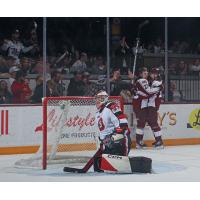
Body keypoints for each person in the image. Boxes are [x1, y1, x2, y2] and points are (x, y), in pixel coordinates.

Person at [94, 90, 131, 172]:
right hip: (108, 142)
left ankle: (123, 159)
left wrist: (114, 135)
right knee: (98, 165)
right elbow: (103, 132)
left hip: (120, 140)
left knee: (118, 168)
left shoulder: (111, 106)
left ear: (104, 98)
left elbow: (123, 124)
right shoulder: (98, 113)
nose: (97, 100)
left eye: (99, 98)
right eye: (96, 98)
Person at [132, 67, 162, 149]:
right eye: (145, 73)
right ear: (141, 74)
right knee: (143, 123)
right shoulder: (143, 81)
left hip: (147, 105)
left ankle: (141, 142)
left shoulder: (153, 81)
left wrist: (137, 91)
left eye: (147, 73)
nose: (148, 74)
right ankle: (140, 142)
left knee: (146, 123)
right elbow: (148, 92)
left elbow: (147, 93)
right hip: (142, 106)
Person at [148, 68, 164, 148]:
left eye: (154, 73)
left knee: (153, 122)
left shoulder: (156, 82)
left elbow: (150, 92)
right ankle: (158, 140)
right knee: (152, 122)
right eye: (152, 73)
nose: (152, 75)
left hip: (153, 104)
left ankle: (159, 141)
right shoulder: (155, 81)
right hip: (153, 103)